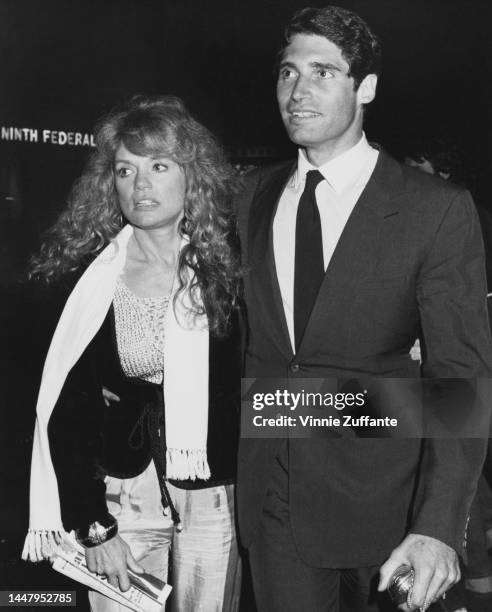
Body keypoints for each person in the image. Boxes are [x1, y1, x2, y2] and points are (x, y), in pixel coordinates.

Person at [235, 6, 492, 612]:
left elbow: (460, 380)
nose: (298, 91)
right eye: (287, 72)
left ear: (366, 87)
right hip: (273, 494)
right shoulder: (250, 197)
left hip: (391, 504)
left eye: (323, 72)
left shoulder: (435, 209)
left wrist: (438, 523)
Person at [22, 95, 242, 612]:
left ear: (194, 176)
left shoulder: (232, 271)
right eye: (125, 170)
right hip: (122, 491)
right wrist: (93, 527)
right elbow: (64, 411)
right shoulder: (85, 279)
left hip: (214, 493)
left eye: (159, 166)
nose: (140, 185)